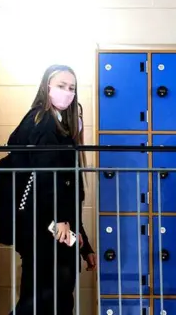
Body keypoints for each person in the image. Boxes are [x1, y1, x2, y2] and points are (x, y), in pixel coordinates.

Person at [7, 64, 82, 315]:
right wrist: (60, 219)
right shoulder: (43, 120)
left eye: (71, 88)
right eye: (61, 86)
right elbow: (47, 176)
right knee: (43, 297)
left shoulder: (58, 124)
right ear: (46, 87)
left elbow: (67, 188)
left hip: (50, 225)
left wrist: (84, 242)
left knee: (51, 295)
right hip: (43, 225)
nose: (67, 92)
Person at [77, 103, 96, 271]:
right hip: (44, 245)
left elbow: (73, 214)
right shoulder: (56, 161)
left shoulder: (74, 163)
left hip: (65, 243)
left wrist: (86, 249)